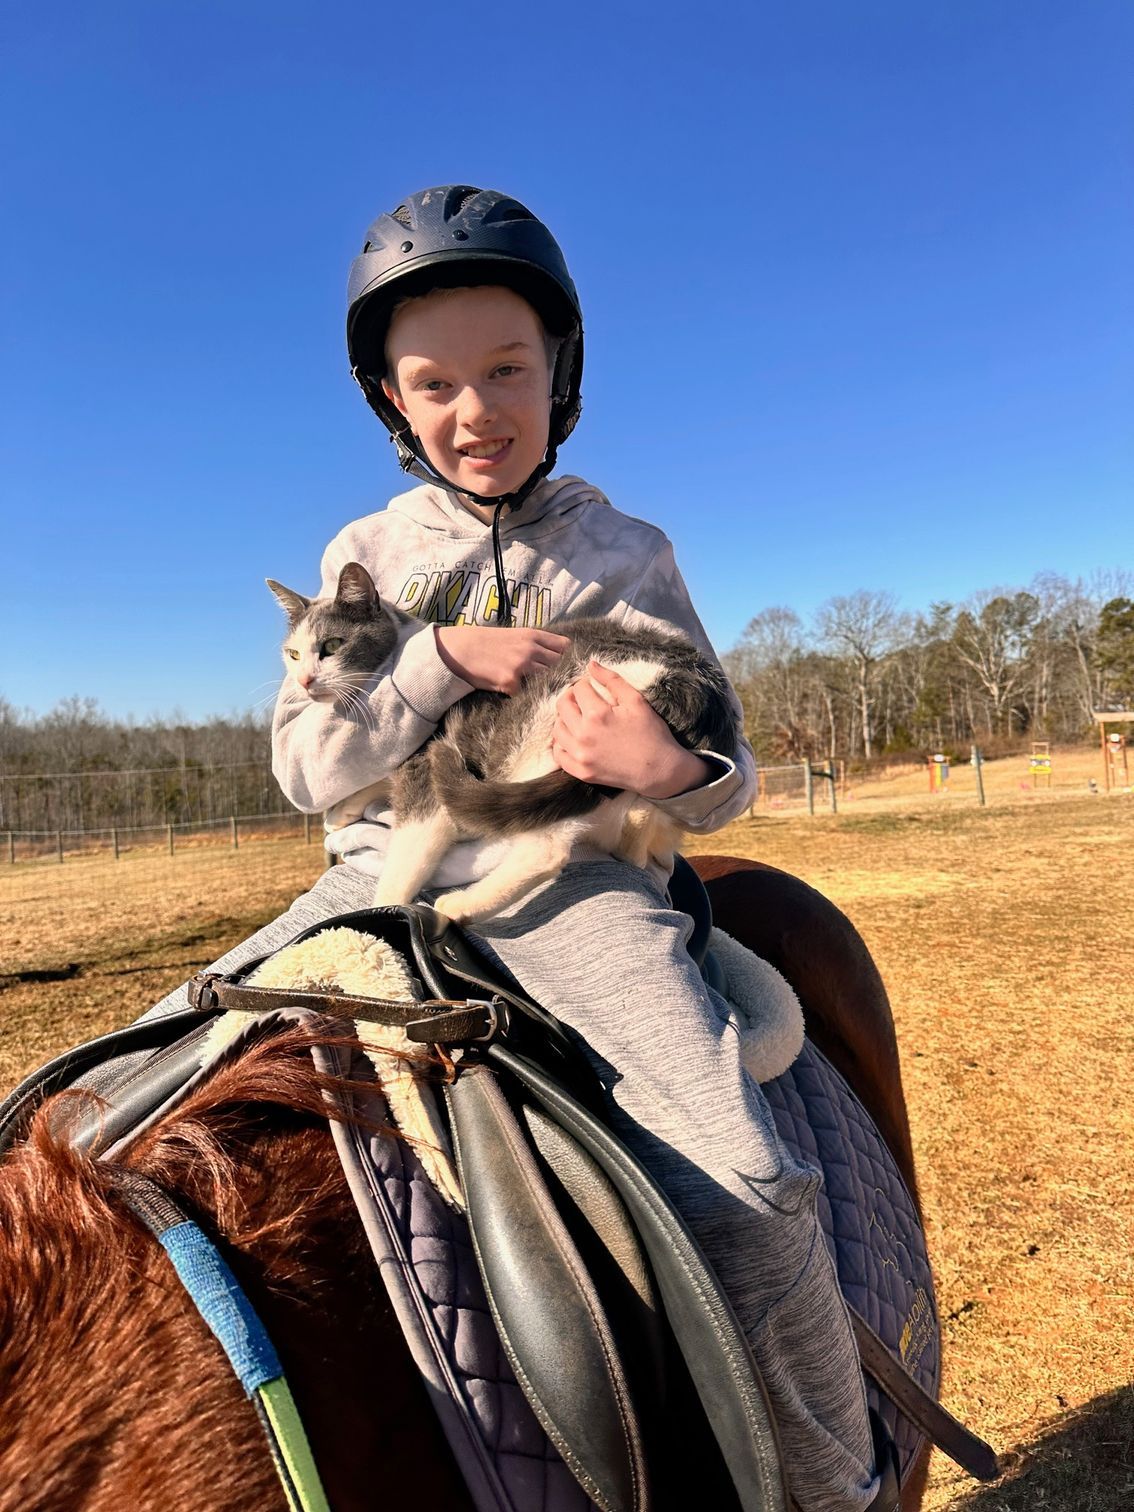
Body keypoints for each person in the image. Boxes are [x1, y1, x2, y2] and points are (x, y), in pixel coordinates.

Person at [157, 186, 882, 1509]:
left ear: (563, 374)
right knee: (87, 1115)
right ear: (390, 402)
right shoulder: (365, 552)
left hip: (575, 881)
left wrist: (667, 771)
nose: (474, 412)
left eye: (508, 371)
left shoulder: (624, 553)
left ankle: (825, 1486)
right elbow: (311, 768)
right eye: (432, 384)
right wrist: (435, 658)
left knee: (744, 1176)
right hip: (372, 878)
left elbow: (723, 780)